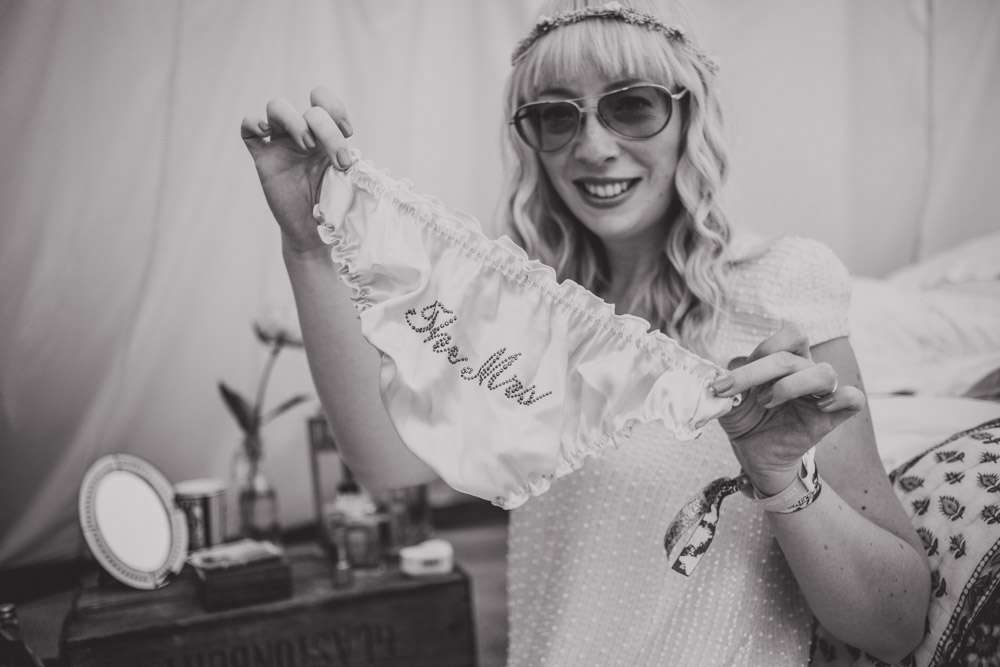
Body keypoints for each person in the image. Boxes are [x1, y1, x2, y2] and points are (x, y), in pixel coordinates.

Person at [241, 0, 931, 664]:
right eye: (556, 115)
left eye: (632, 105)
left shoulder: (783, 287)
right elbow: (388, 466)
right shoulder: (524, 304)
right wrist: (307, 245)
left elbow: (896, 627)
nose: (593, 148)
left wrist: (778, 477)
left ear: (690, 114)